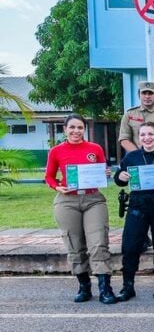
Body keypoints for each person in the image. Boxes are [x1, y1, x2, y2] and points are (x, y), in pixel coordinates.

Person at [46, 114, 116, 305]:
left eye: (80, 128)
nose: (76, 131)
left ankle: (105, 289)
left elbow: (102, 169)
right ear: (65, 129)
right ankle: (84, 287)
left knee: (98, 243)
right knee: (74, 245)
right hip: (67, 200)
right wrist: (57, 187)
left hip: (93, 199)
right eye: (72, 128)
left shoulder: (94, 149)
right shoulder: (56, 151)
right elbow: (49, 176)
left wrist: (106, 172)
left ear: (84, 129)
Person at [114, 122, 154, 300]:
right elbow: (118, 179)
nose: (147, 138)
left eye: (151, 134)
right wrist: (120, 176)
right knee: (130, 245)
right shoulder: (131, 158)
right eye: (143, 135)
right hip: (138, 205)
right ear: (138, 137)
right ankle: (128, 286)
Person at [118, 81, 154, 152]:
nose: (147, 96)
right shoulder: (129, 115)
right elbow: (124, 139)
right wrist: (139, 155)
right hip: (135, 154)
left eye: (150, 93)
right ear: (139, 95)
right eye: (144, 93)